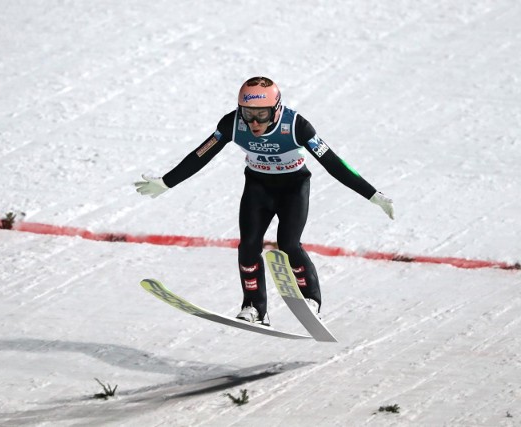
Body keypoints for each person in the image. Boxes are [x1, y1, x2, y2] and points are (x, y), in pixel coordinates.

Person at [134, 76, 394, 325]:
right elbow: (201, 154)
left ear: (277, 109)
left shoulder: (297, 126)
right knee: (248, 246)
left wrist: (372, 194)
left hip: (293, 187)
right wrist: (167, 181)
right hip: (258, 187)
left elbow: (334, 164)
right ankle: (254, 308)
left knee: (289, 244)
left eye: (262, 114)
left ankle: (311, 300)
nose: (254, 123)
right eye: (248, 114)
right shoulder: (232, 124)